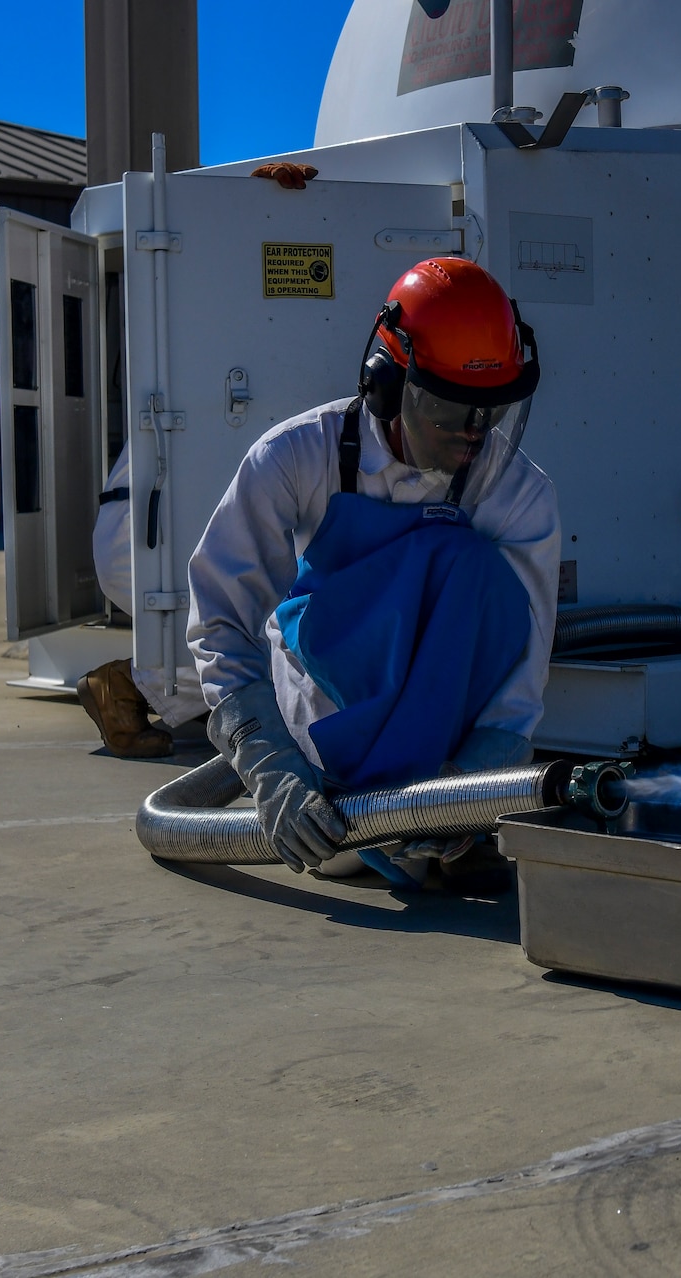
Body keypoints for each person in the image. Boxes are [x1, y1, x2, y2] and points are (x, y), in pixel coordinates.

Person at [184, 257, 559, 890]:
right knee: (449, 560)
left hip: (443, 749)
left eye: (489, 410)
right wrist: (269, 763)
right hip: (319, 739)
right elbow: (221, 620)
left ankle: (428, 814)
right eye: (448, 408)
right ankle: (347, 801)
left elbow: (523, 668)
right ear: (386, 381)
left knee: (475, 571)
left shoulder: (518, 492)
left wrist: (472, 787)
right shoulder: (294, 457)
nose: (472, 434)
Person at [78, 449, 207, 758]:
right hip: (151, 541)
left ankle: (194, 701)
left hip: (146, 533)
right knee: (262, 643)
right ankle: (123, 685)